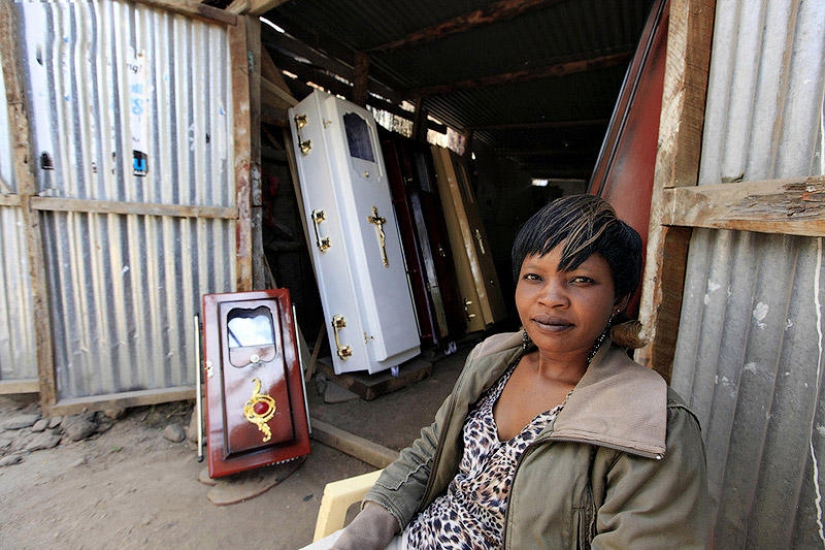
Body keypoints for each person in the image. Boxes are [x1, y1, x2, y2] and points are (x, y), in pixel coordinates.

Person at [306, 194, 709, 549]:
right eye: (534, 277)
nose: (550, 299)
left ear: (619, 297)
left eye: (581, 280)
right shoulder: (493, 359)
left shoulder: (653, 426)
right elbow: (432, 449)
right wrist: (364, 534)